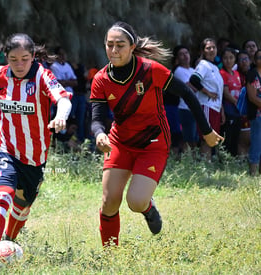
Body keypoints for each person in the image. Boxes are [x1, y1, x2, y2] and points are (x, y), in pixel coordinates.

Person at [90, 21, 223, 247]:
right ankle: (109, 256)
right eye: (109, 45)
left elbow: (188, 95)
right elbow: (96, 119)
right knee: (109, 201)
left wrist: (207, 131)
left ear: (132, 47)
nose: (114, 50)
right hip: (120, 143)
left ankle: (148, 208)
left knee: (136, 201)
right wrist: (99, 134)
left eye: (120, 45)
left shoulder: (151, 70)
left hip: (153, 143)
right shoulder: (101, 79)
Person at [0, 33, 72, 248]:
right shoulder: (0, 74)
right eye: (13, 59)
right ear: (5, 57)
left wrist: (61, 116)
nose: (19, 64)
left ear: (33, 56)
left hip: (34, 156)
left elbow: (63, 99)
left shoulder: (42, 77)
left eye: (25, 59)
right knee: (2, 195)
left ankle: (8, 241)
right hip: (4, 148)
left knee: (22, 205)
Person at [189, 38, 225, 161]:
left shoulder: (215, 67)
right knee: (206, 138)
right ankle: (204, 167)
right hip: (206, 106)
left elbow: (219, 91)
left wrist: (222, 111)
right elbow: (194, 80)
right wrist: (207, 92)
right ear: (203, 51)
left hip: (216, 108)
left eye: (213, 47)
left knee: (212, 141)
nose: (211, 50)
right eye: (208, 48)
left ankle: (209, 166)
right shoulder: (203, 64)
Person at [172, 45, 199, 151]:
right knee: (188, 139)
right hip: (185, 108)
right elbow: (191, 88)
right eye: (181, 54)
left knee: (195, 139)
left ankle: (193, 162)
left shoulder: (193, 70)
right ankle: (186, 162)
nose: (185, 56)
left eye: (186, 53)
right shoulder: (179, 71)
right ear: (177, 58)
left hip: (195, 108)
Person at [220, 48, 242, 157]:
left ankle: (233, 163)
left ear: (235, 59)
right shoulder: (222, 73)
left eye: (231, 58)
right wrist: (238, 103)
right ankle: (224, 163)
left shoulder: (237, 73)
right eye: (225, 58)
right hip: (228, 111)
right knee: (227, 139)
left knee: (235, 138)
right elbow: (226, 93)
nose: (228, 60)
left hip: (237, 111)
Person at [246, 49, 261, 176]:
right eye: (259, 57)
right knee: (256, 142)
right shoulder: (252, 74)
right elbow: (252, 97)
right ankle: (253, 173)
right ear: (255, 60)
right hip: (257, 114)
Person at [235, 50, 251, 157]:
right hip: (238, 114)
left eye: (246, 59)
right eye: (241, 60)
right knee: (242, 143)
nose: (244, 62)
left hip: (254, 114)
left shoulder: (255, 74)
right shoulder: (234, 74)